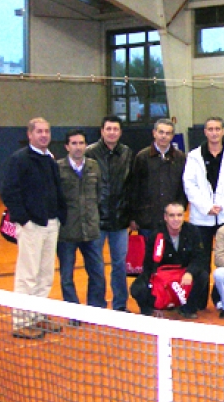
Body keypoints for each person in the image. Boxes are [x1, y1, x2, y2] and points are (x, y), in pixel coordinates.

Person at [2, 118, 67, 339]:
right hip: (31, 226)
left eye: (47, 131)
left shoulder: (50, 159)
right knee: (27, 275)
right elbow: (10, 192)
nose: (44, 135)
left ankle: (38, 316)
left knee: (45, 274)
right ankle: (21, 322)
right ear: (30, 134)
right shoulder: (19, 159)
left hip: (51, 224)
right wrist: (24, 220)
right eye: (39, 131)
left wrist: (59, 216)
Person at [183, 116, 224, 296]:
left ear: (223, 131)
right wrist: (206, 207)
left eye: (217, 129)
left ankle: (221, 298)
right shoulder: (194, 156)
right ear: (205, 132)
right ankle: (199, 299)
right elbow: (189, 185)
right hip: (201, 218)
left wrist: (222, 206)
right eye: (210, 129)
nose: (214, 133)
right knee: (200, 261)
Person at [85, 115, 133, 312]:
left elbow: (130, 186)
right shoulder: (90, 153)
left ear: (120, 132)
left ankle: (120, 304)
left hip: (120, 220)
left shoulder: (127, 153)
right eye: (108, 129)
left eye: (116, 129)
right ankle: (96, 305)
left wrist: (131, 215)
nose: (112, 132)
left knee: (120, 265)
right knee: (95, 265)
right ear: (102, 131)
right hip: (96, 220)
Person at [130, 202, 208, 319]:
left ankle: (187, 308)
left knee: (203, 275)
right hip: (161, 275)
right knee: (137, 287)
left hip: (183, 274)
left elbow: (200, 257)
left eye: (179, 215)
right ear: (165, 217)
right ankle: (150, 310)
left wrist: (190, 272)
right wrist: (154, 280)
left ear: (184, 216)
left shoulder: (193, 231)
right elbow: (148, 263)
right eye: (172, 215)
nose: (176, 219)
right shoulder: (156, 235)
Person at [56, 129, 105, 309]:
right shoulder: (58, 168)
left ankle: (96, 308)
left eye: (81, 143)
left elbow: (99, 194)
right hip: (66, 231)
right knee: (67, 275)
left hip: (91, 231)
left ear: (86, 145)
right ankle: (73, 311)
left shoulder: (94, 166)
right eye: (74, 143)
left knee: (97, 273)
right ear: (67, 146)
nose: (78, 147)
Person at [129, 118, 186, 242]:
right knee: (148, 258)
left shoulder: (180, 157)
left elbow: (183, 188)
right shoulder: (142, 157)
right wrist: (134, 217)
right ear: (154, 133)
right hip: (147, 220)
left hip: (172, 220)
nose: (164, 136)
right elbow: (134, 188)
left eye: (168, 133)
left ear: (172, 136)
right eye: (161, 132)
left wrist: (179, 211)